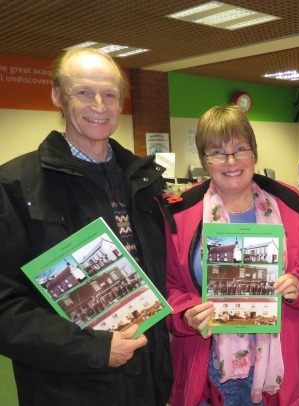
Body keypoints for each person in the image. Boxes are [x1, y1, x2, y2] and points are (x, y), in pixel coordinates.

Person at [0, 48, 172, 405]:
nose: (99, 104)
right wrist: (91, 349)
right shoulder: (15, 186)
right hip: (68, 387)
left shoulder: (144, 182)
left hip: (147, 379)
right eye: (83, 92)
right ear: (57, 96)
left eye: (110, 94)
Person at [157, 105, 299, 406]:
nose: (231, 161)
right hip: (207, 368)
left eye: (240, 149)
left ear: (254, 153)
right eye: (217, 153)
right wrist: (186, 315)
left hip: (277, 371)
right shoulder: (179, 215)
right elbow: (167, 289)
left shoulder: (292, 208)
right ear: (204, 160)